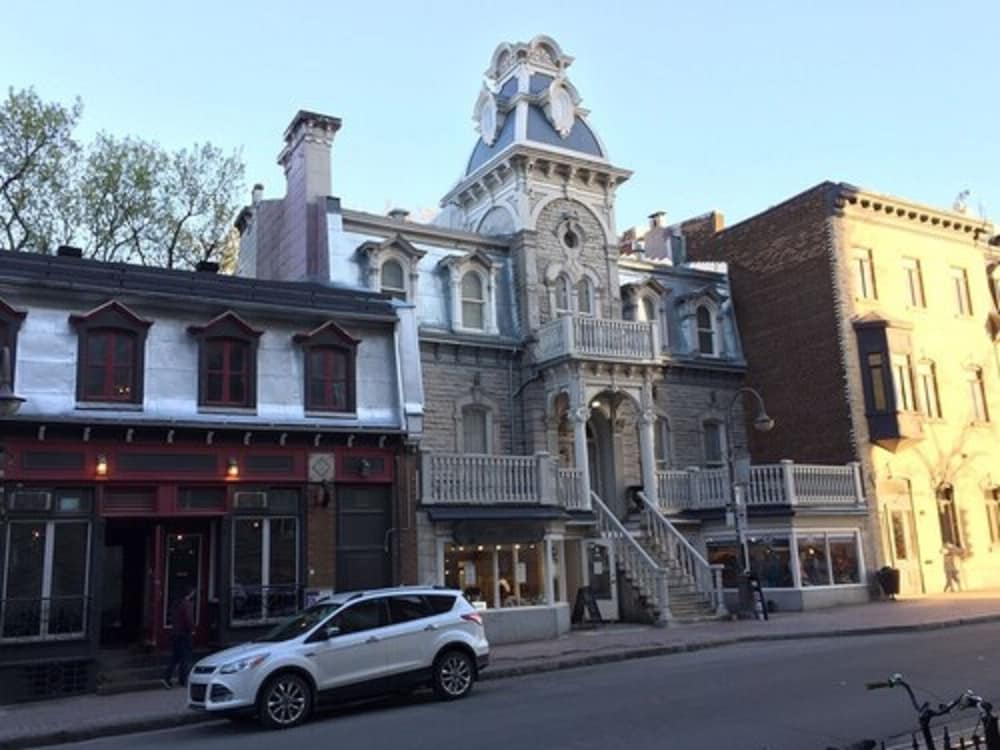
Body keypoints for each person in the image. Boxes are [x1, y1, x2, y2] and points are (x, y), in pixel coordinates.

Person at [162, 587, 195, 688]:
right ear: (190, 593)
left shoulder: (176, 603)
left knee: (175, 657)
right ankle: (183, 680)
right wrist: (192, 629)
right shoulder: (187, 604)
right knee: (185, 658)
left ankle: (167, 678)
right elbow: (188, 619)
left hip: (175, 633)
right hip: (184, 634)